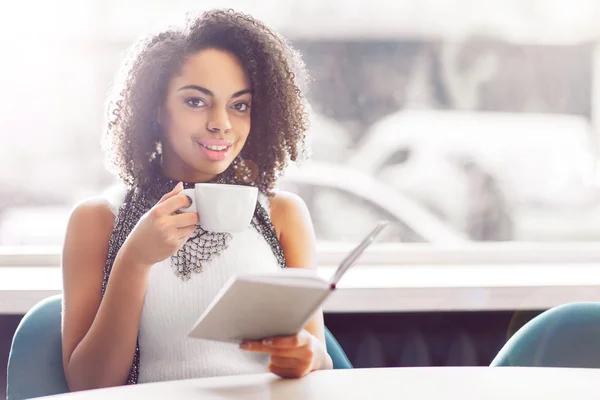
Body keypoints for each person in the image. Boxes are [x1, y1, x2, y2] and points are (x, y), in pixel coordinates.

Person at [61, 9, 333, 392]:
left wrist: (309, 355)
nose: (221, 122)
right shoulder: (98, 220)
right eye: (196, 101)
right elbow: (87, 385)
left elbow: (320, 360)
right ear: (156, 108)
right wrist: (135, 259)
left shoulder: (284, 215)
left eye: (240, 105)